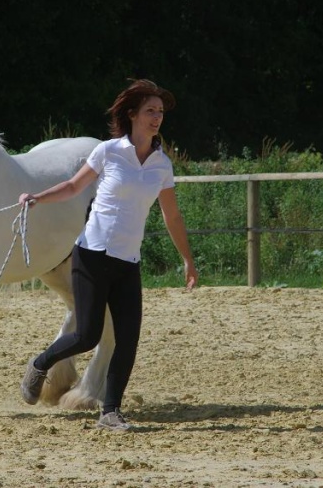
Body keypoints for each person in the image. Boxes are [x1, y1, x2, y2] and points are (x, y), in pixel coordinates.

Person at [18, 78, 198, 431]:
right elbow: (73, 187)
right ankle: (40, 364)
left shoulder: (162, 164)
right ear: (131, 114)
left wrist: (188, 259)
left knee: (127, 339)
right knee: (87, 335)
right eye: (150, 110)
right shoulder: (109, 151)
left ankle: (110, 411)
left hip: (128, 262)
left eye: (160, 112)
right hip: (92, 254)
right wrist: (37, 198)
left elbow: (171, 216)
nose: (157, 117)